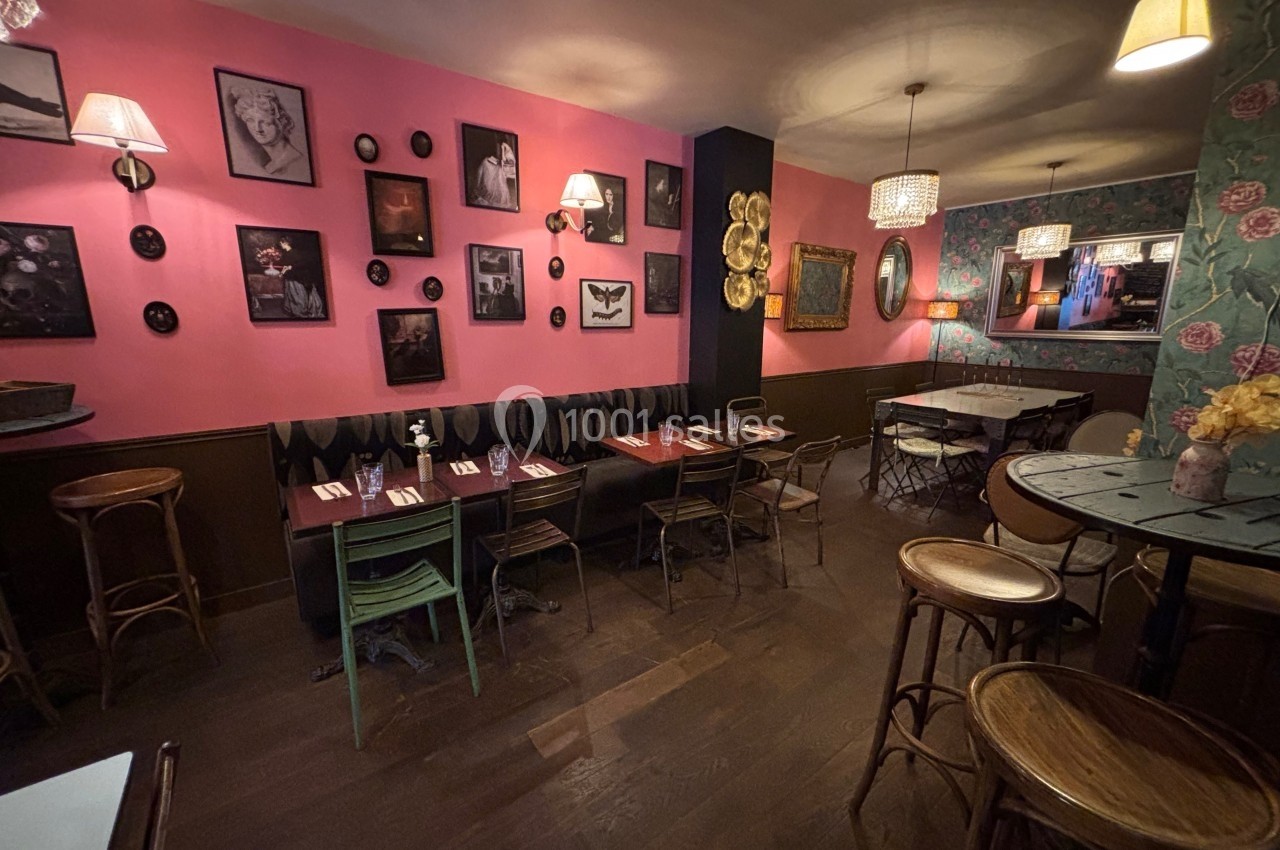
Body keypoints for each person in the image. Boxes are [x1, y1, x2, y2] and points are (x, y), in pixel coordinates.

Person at [229, 86, 308, 181]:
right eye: (250, 120)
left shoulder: (295, 161)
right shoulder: (270, 167)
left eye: (265, 122)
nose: (258, 129)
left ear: (281, 121)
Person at [470, 137, 517, 209]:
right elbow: (478, 181)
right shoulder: (486, 162)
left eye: (504, 150)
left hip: (501, 200)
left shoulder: (504, 165)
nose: (501, 152)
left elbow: (513, 173)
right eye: (500, 148)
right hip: (487, 197)